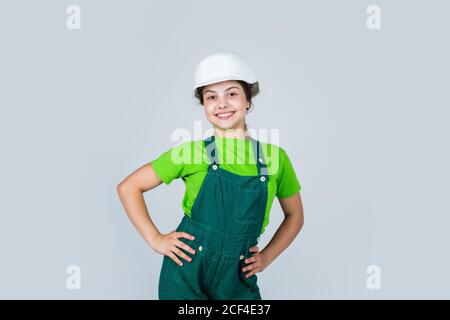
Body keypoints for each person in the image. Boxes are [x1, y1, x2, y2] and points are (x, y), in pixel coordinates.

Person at [117, 51, 304, 300]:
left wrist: (266, 256)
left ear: (248, 100)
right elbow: (129, 187)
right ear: (204, 106)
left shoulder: (274, 158)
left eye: (232, 94)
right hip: (186, 274)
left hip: (237, 278)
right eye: (211, 97)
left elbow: (295, 216)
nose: (222, 104)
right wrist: (156, 239)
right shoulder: (191, 152)